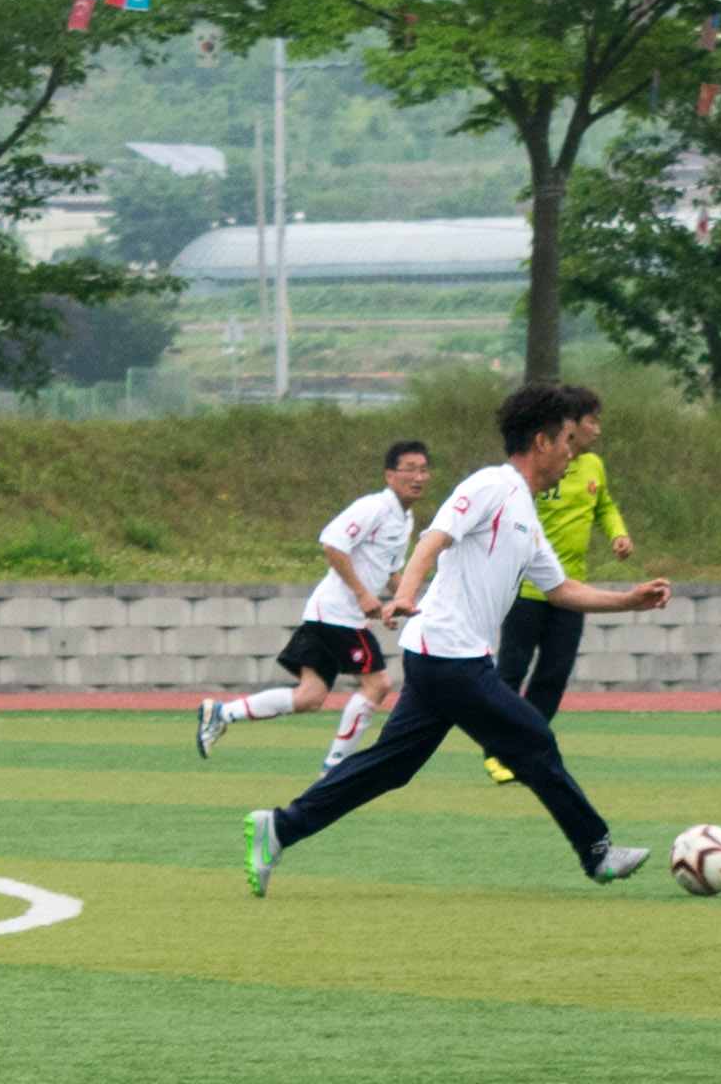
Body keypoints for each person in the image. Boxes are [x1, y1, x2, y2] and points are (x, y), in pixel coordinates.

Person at [240, 382, 671, 895]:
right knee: (534, 738)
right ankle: (597, 851)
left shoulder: (527, 514)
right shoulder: (491, 485)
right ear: (541, 442)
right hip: (448, 653)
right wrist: (406, 593)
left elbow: (560, 589)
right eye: (565, 442)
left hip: (444, 655)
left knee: (391, 766)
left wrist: (629, 600)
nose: (571, 453)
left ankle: (279, 827)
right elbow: (434, 539)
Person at [195, 440, 432, 771]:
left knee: (309, 697)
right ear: (390, 475)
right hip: (338, 615)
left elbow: (391, 570)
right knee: (378, 685)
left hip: (330, 615)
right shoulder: (374, 507)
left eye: (424, 470)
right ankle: (336, 766)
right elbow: (332, 545)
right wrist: (362, 594)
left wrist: (407, 603)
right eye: (410, 469)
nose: (418, 477)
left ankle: (222, 713)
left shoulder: (404, 519)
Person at [482, 386, 631, 784]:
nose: (597, 430)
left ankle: (525, 746)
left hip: (572, 591)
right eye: (592, 421)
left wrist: (618, 533)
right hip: (528, 590)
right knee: (511, 670)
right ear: (569, 426)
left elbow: (605, 506)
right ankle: (496, 749)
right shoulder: (537, 472)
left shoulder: (594, 466)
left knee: (554, 675)